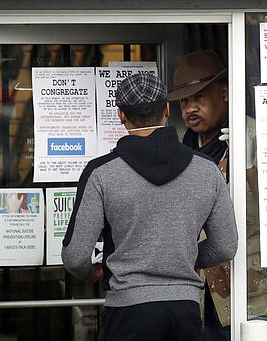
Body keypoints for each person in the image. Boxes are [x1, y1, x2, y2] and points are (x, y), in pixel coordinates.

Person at [62, 73, 238, 341]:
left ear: (121, 115)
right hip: (186, 312)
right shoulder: (206, 170)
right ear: (167, 110)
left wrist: (90, 271)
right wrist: (182, 255)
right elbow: (225, 245)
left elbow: (75, 257)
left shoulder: (101, 173)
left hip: (127, 312)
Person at [169, 50, 267, 341]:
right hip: (206, 297)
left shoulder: (263, 135)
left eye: (199, 97)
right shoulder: (183, 148)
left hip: (265, 297)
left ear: (224, 93)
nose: (190, 109)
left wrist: (248, 165)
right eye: (184, 101)